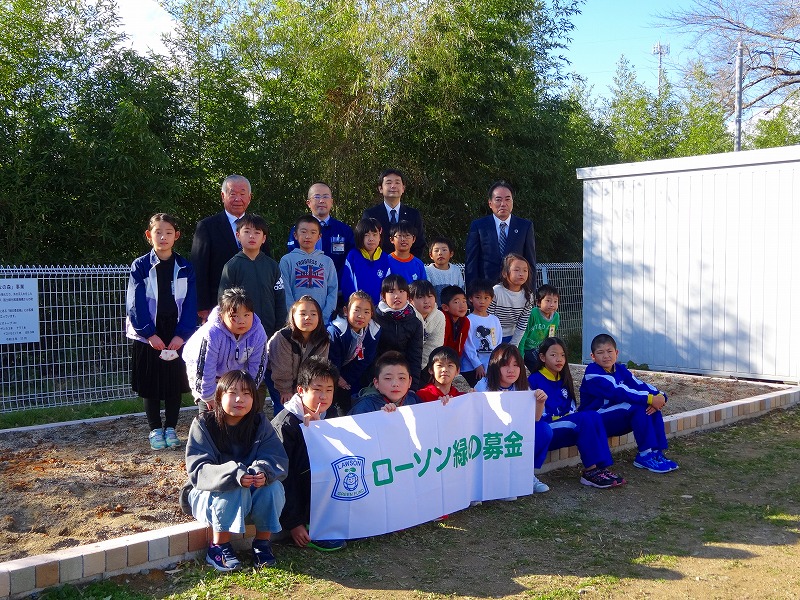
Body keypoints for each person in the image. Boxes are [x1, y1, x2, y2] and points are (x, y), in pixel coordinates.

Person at [184, 370, 288, 570]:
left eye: (247, 393)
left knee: (272, 487)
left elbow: (275, 457)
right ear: (219, 396)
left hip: (249, 497)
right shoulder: (204, 423)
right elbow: (199, 469)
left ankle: (262, 545)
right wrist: (234, 474)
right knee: (233, 484)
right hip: (207, 495)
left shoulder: (260, 423)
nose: (240, 399)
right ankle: (218, 547)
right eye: (232, 393)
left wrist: (262, 471)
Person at [126, 213, 196, 450]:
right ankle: (155, 429)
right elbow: (135, 303)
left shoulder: (185, 266)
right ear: (149, 235)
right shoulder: (140, 265)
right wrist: (148, 333)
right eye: (158, 232)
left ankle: (172, 428)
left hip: (176, 331)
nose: (163, 237)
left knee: (174, 383)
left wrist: (182, 334)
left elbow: (190, 304)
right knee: (151, 383)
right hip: (149, 334)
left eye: (168, 233)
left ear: (176, 236)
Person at [528, 337, 626, 489]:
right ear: (542, 357)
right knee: (584, 418)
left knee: (592, 415)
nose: (559, 359)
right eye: (553, 355)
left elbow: (572, 407)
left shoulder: (564, 377)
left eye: (562, 355)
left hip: (566, 427)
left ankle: (601, 468)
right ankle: (591, 471)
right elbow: (535, 416)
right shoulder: (534, 380)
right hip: (547, 429)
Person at [271, 356, 347, 551]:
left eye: (329, 390)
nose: (324, 396)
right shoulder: (285, 425)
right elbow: (282, 478)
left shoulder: (329, 415)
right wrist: (294, 524)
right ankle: (308, 524)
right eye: (317, 390)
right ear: (301, 390)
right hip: (294, 495)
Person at [579, 334, 679, 474]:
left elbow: (639, 385)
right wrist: (650, 399)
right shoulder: (592, 373)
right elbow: (617, 391)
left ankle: (656, 452)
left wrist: (660, 395)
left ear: (617, 353)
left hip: (614, 417)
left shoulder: (620, 369)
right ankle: (645, 455)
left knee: (651, 407)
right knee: (638, 406)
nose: (606, 356)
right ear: (593, 356)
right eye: (600, 353)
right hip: (595, 419)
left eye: (609, 351)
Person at [474, 344, 553, 495]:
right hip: (491, 435)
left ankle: (527, 474)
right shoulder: (483, 385)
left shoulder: (522, 387)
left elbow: (535, 419)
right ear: (495, 366)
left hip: (515, 433)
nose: (511, 370)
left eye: (516, 365)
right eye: (505, 365)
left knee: (543, 430)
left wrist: (540, 402)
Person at [192, 175, 266, 321]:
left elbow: (265, 261)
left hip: (254, 305)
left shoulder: (259, 226)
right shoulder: (207, 226)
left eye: (242, 194)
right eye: (232, 194)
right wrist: (202, 305)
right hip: (218, 305)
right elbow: (198, 267)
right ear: (223, 196)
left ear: (249, 197)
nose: (238, 199)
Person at [183, 287, 267, 411]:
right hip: (208, 376)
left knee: (249, 413)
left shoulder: (258, 332)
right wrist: (208, 397)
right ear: (222, 315)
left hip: (239, 377)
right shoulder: (211, 333)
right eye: (234, 316)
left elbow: (257, 366)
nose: (241, 321)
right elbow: (204, 368)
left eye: (246, 315)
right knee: (210, 416)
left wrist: (247, 392)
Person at [218, 213, 286, 339]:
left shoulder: (272, 266)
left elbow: (280, 299)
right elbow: (224, 302)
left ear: (264, 238)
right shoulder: (232, 266)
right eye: (247, 231)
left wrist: (280, 328)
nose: (251, 236)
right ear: (238, 235)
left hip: (270, 331)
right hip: (241, 331)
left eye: (257, 232)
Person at [266, 296, 330, 415]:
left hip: (303, 379)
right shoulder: (283, 337)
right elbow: (281, 369)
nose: (308, 317)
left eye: (313, 314)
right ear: (293, 317)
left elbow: (318, 368)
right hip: (277, 377)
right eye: (302, 314)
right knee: (285, 410)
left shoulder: (323, 339)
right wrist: (285, 390)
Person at [465, 180, 536, 286]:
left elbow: (530, 262)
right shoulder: (479, 226)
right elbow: (471, 263)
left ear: (512, 202)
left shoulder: (524, 226)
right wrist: (472, 293)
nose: (503, 204)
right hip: (486, 292)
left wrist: (530, 293)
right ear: (490, 203)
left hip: (516, 291)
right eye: (498, 200)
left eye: (508, 199)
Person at [327, 291, 381, 416]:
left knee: (347, 399)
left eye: (366, 312)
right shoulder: (335, 331)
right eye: (357, 310)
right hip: (331, 370)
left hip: (351, 374)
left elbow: (366, 358)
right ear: (346, 311)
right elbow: (331, 358)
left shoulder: (374, 330)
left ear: (371, 314)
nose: (361, 316)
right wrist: (338, 378)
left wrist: (346, 379)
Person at [279, 215, 338, 323]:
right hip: (295, 321)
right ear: (295, 235)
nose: (308, 236)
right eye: (303, 232)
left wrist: (322, 317)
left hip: (321, 322)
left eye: (313, 232)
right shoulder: (287, 260)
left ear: (319, 236)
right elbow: (285, 292)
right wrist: (293, 315)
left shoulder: (327, 261)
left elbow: (332, 292)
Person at [373, 275, 424, 390]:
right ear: (383, 296)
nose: (397, 296)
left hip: (402, 375)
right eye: (391, 292)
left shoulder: (415, 322)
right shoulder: (373, 319)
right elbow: (371, 355)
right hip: (378, 375)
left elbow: (415, 357)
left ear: (407, 295)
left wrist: (412, 389)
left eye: (401, 291)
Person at [363, 168, 426, 257]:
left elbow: (419, 244)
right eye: (388, 183)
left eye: (397, 182)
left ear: (403, 188)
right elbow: (366, 243)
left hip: (406, 266)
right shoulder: (370, 214)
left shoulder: (413, 214)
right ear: (380, 188)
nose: (393, 186)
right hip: (379, 266)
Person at [349, 351, 423, 415]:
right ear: (376, 382)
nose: (395, 384)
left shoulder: (413, 400)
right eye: (388, 378)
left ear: (410, 381)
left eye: (402, 378)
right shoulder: (364, 407)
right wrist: (380, 418)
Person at [341, 217, 392, 306]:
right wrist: (355, 305)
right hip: (357, 309)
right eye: (366, 235)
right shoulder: (353, 256)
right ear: (360, 237)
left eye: (374, 234)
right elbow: (347, 284)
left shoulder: (384, 258)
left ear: (380, 237)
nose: (371, 239)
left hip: (379, 311)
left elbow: (388, 286)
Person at [461, 279, 502, 387]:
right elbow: (467, 345)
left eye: (486, 298)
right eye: (478, 297)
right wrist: (477, 365)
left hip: (491, 365)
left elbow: (498, 343)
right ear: (470, 299)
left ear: (491, 299)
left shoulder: (494, 320)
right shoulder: (468, 320)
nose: (482, 301)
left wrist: (495, 364)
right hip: (472, 367)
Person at [489, 253, 535, 345]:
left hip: (511, 336)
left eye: (525, 270)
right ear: (505, 273)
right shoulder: (496, 291)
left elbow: (523, 322)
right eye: (516, 270)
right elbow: (488, 318)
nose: (521, 274)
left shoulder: (528, 296)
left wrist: (514, 344)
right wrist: (493, 342)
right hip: (492, 335)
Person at [519, 284, 560, 374]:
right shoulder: (533, 314)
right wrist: (520, 355)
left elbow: (550, 337)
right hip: (521, 346)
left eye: (555, 301)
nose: (552, 305)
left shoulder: (556, 317)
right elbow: (523, 334)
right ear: (538, 302)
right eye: (548, 301)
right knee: (535, 368)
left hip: (534, 347)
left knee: (544, 366)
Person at [409, 280, 445, 375]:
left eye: (430, 296)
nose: (426, 301)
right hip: (404, 363)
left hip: (426, 365)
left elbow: (434, 346)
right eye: (420, 297)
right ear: (410, 300)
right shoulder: (407, 316)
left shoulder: (439, 316)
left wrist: (421, 368)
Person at [425, 237, 465, 304]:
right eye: (436, 250)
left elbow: (461, 291)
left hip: (454, 310)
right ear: (431, 255)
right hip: (435, 310)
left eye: (444, 250)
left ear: (451, 254)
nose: (440, 253)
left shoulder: (456, 270)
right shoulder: (427, 271)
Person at [440, 285, 470, 359]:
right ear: (445, 307)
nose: (462, 305)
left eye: (464, 301)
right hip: (439, 359)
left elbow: (461, 345)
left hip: (454, 360)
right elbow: (440, 345)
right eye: (456, 302)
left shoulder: (465, 321)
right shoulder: (442, 319)